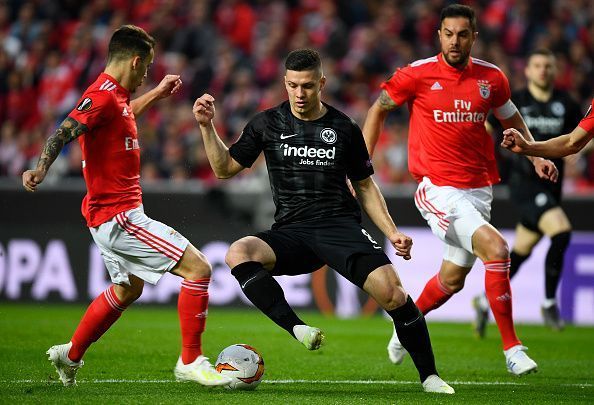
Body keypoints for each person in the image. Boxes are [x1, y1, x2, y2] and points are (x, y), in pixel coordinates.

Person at [192, 49, 455, 394]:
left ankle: (430, 377)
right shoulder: (266, 124)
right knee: (238, 253)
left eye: (308, 86)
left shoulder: (343, 127)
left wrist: (391, 231)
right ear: (284, 83)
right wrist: (206, 126)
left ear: (322, 84)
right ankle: (297, 329)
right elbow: (224, 169)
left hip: (340, 227)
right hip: (291, 232)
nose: (300, 95)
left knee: (393, 294)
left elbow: (364, 184)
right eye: (293, 86)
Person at [22, 25, 230, 388]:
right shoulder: (101, 96)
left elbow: (122, 114)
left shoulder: (113, 97)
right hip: (120, 217)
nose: (147, 74)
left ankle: (70, 355)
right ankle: (190, 360)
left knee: (127, 289)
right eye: (146, 67)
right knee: (198, 269)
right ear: (135, 61)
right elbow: (65, 130)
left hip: (106, 216)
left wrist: (157, 94)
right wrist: (41, 167)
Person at [362, 4, 558, 376]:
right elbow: (378, 108)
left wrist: (534, 156)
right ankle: (512, 349)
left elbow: (510, 116)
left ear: (473, 37)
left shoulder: (492, 78)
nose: (455, 41)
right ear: (439, 35)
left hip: (479, 190)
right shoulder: (416, 74)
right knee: (497, 247)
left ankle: (405, 325)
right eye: (448, 33)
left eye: (462, 34)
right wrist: (362, 163)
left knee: (451, 280)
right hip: (437, 190)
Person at [472, 49, 584, 336]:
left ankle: (484, 302)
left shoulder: (567, 103)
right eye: (537, 65)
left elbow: (578, 138)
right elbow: (488, 125)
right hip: (523, 182)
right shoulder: (517, 102)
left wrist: (579, 152)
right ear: (528, 71)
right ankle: (548, 302)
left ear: (555, 70)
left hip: (552, 183)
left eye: (548, 65)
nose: (543, 70)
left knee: (521, 251)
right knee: (561, 232)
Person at [502, 98, 594, 158]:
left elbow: (572, 143)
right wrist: (527, 147)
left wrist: (527, 147)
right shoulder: (518, 98)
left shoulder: (567, 101)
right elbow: (571, 143)